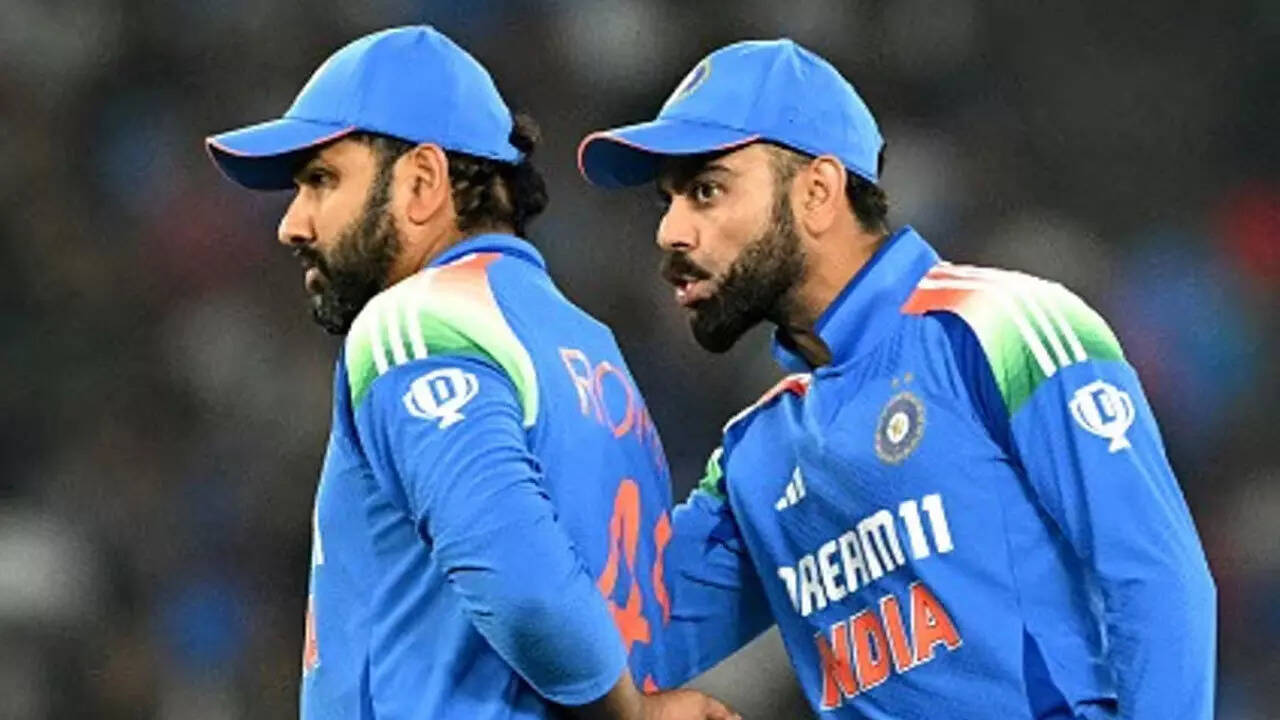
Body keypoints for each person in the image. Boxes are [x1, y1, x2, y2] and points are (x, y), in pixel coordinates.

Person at [578, 38, 1216, 719]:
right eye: (667, 201)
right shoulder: (753, 456)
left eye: (706, 190)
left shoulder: (999, 328)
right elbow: (600, 644)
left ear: (818, 192)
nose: (670, 231)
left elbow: (1155, 580)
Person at [205, 26, 735, 720]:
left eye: (321, 180)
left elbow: (523, 581)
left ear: (422, 181)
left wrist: (633, 712)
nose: (292, 223)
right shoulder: (592, 353)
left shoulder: (418, 321)